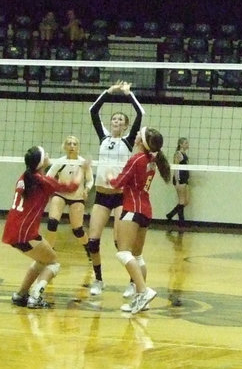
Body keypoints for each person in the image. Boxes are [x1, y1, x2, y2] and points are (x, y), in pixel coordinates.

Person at [5, 146, 90, 308]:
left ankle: (21, 294)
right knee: (53, 263)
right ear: (40, 162)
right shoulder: (41, 181)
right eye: (45, 154)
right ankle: (36, 296)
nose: (48, 155)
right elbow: (71, 187)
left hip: (13, 229)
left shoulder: (25, 177)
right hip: (25, 232)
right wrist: (82, 169)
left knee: (41, 259)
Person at [86, 81, 144, 297]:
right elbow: (93, 111)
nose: (116, 121)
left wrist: (129, 94)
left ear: (126, 126)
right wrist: (108, 93)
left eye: (121, 120)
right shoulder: (104, 137)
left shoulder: (128, 142)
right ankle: (99, 280)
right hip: (101, 196)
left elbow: (140, 114)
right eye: (114, 119)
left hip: (121, 197)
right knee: (93, 241)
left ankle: (132, 282)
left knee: (122, 244)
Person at [108, 126, 171, 314]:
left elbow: (119, 183)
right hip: (145, 210)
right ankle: (141, 300)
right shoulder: (152, 160)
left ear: (141, 141)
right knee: (137, 256)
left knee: (123, 253)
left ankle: (143, 291)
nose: (135, 134)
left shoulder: (137, 159)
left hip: (132, 209)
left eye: (138, 134)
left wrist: (110, 178)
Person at [44, 135, 94, 256]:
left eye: (74, 144)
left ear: (78, 147)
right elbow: (48, 177)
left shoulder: (83, 163)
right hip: (60, 195)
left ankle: (89, 250)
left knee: (77, 230)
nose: (72, 146)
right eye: (69, 144)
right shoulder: (60, 162)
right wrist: (52, 187)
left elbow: (90, 180)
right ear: (64, 147)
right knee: (52, 222)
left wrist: (86, 189)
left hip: (77, 197)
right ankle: (49, 250)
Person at [165, 137, 190, 228]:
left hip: (185, 178)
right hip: (180, 179)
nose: (188, 145)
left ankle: (170, 215)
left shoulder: (184, 154)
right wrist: (177, 181)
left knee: (186, 201)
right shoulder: (178, 154)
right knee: (182, 201)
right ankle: (181, 223)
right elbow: (175, 167)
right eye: (186, 143)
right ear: (181, 144)